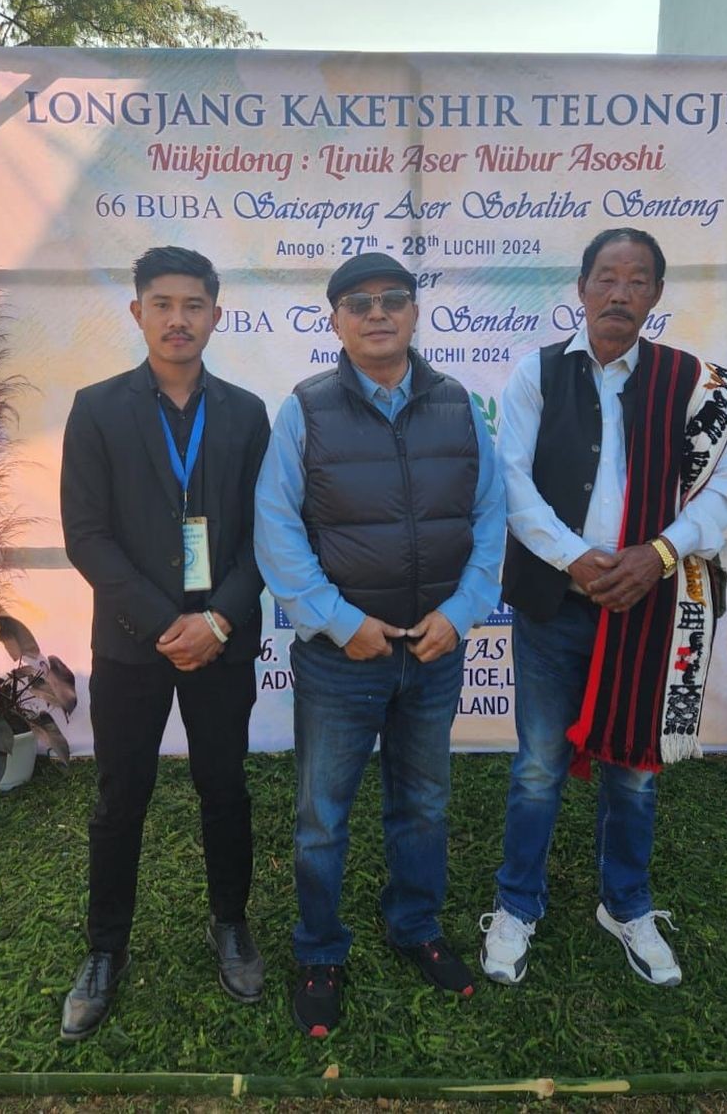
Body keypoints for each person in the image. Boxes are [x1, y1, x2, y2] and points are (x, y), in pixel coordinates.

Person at [480, 227, 727, 990]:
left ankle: (624, 902)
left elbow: (721, 491)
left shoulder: (690, 385)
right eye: (606, 276)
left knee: (634, 769)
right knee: (537, 766)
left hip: (647, 608)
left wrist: (657, 554)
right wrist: (578, 559)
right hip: (553, 604)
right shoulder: (536, 373)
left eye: (637, 279)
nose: (620, 292)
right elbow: (512, 484)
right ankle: (516, 904)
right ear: (582, 287)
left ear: (656, 295)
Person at [255, 252, 505, 1037]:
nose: (377, 312)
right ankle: (320, 949)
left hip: (433, 652)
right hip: (342, 658)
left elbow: (490, 519)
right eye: (358, 302)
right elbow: (277, 528)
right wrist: (339, 621)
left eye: (393, 298)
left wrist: (462, 613)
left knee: (424, 804)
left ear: (414, 312)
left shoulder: (459, 405)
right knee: (323, 816)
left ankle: (416, 926)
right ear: (334, 320)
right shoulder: (305, 409)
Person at [59, 245, 270, 1041]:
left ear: (216, 313)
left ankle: (232, 924)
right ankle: (105, 948)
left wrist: (217, 620)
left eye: (193, 304)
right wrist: (162, 625)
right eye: (162, 303)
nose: (178, 318)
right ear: (138, 311)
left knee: (225, 787)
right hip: (129, 645)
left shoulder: (248, 413)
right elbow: (87, 536)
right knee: (121, 799)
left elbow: (266, 535)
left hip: (222, 639)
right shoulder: (99, 407)